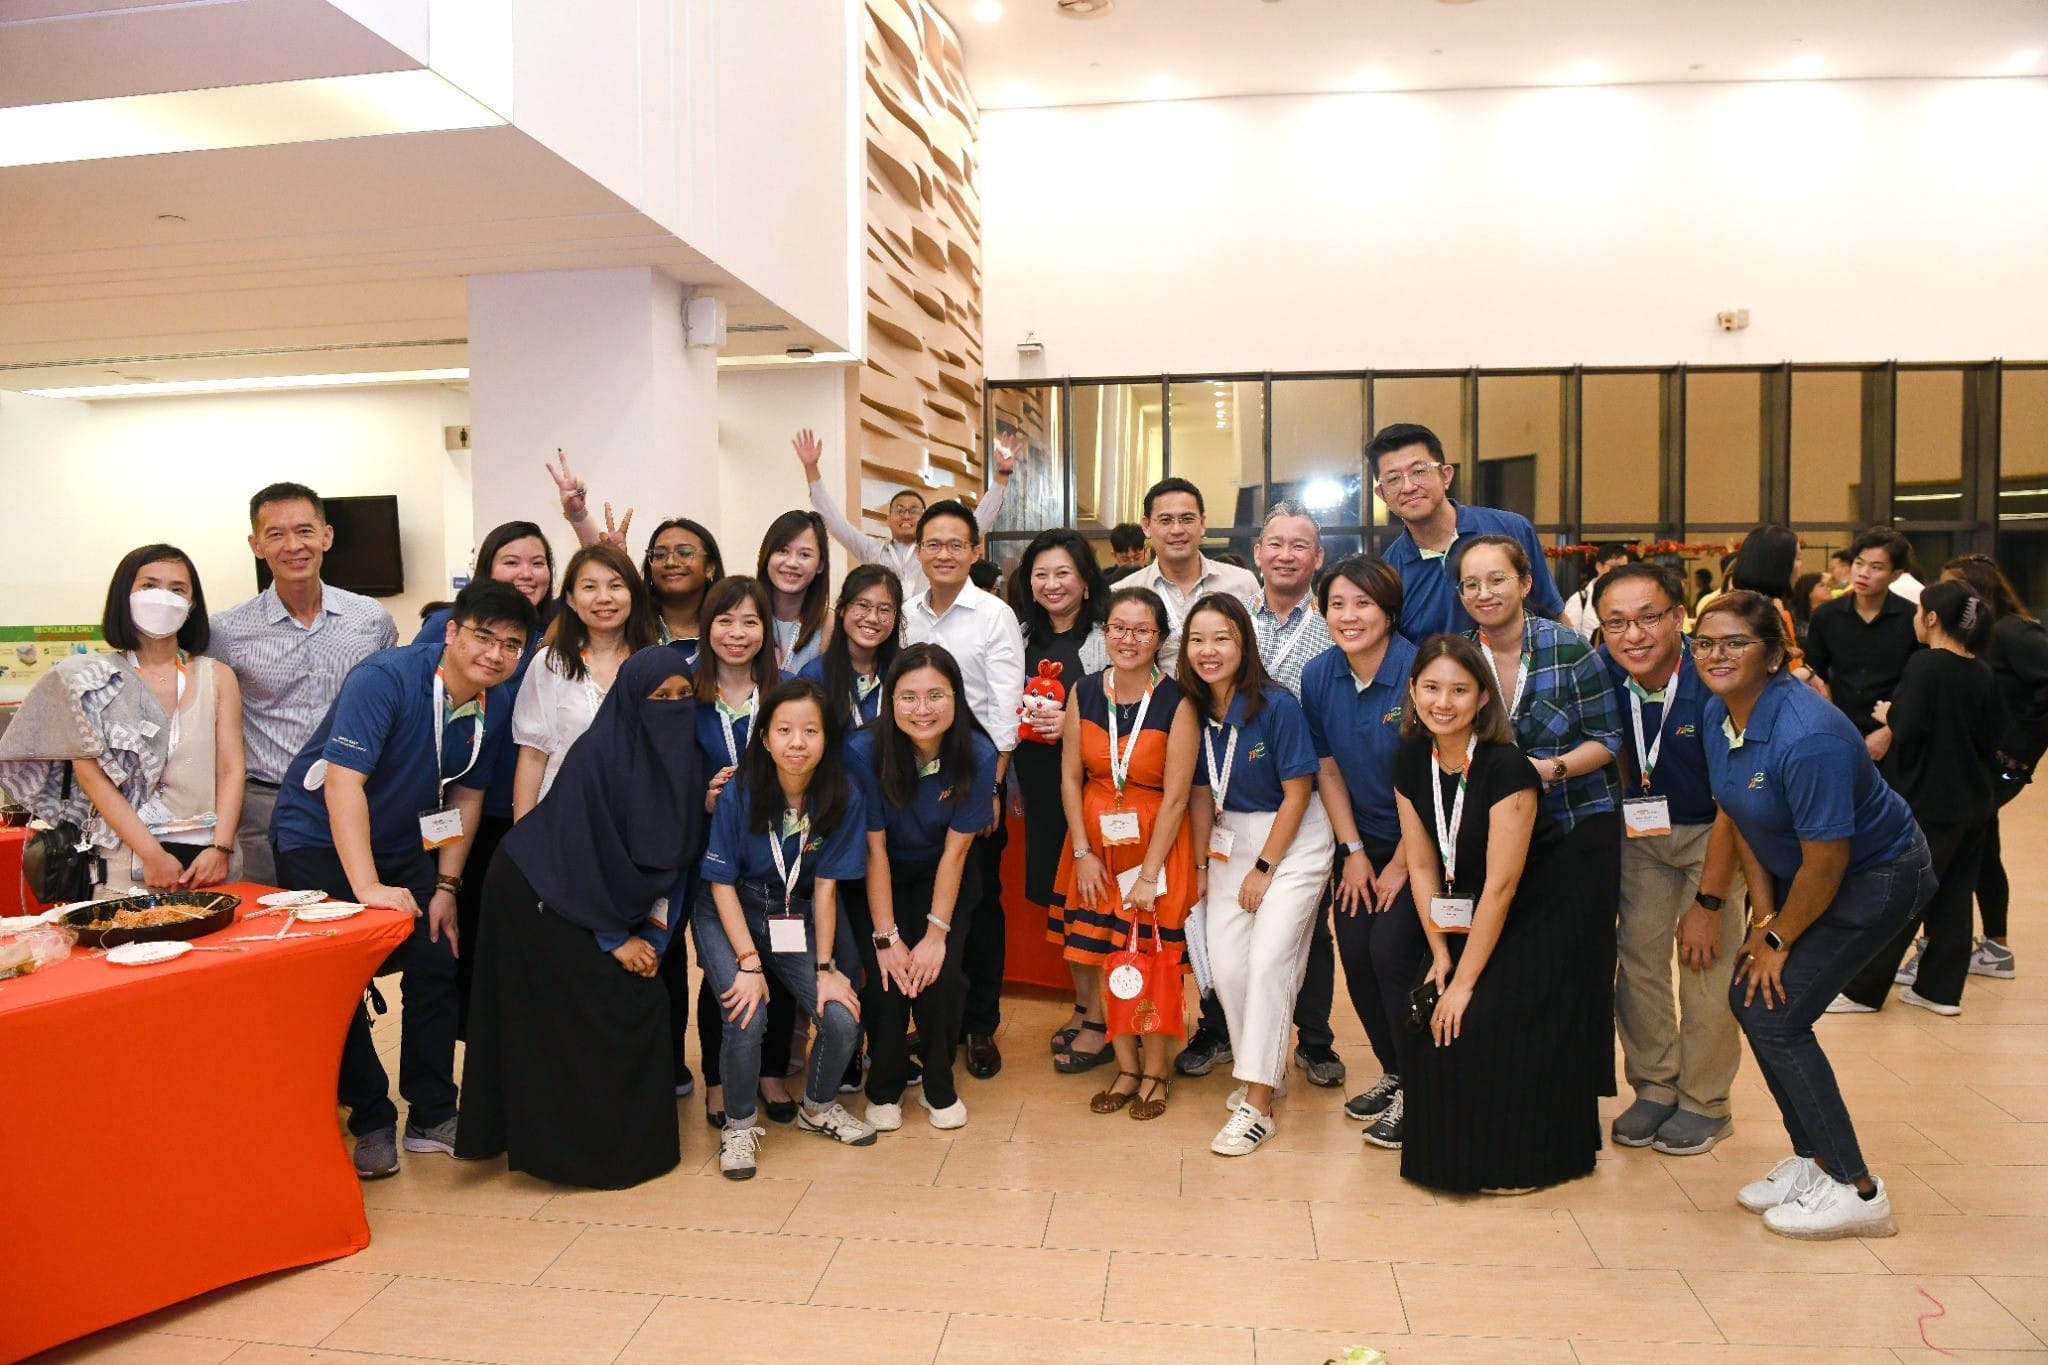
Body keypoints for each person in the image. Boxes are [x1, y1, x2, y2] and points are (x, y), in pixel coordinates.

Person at [269, 579, 536, 1179]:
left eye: (510, 645)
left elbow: (465, 794)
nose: (494, 653)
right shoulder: (385, 678)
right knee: (338, 984)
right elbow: (343, 784)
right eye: (482, 636)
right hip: (318, 841)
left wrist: (445, 887)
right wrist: (365, 890)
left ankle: (433, 1113)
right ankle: (368, 1118)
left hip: (402, 842)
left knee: (437, 959)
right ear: (452, 631)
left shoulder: (496, 701)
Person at [1695, 591, 1932, 1238]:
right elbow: (1741, 812)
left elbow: (1827, 864)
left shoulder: (1809, 736)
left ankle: (1858, 1188)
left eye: (1735, 642)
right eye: (1705, 641)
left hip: (1876, 877)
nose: (1716, 654)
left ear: (1774, 655)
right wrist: (1764, 913)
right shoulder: (1722, 713)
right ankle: (1812, 1161)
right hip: (1807, 882)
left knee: (1774, 1011)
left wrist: (1779, 935)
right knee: (1754, 1000)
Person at [456, 648, 705, 1188]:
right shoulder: (601, 755)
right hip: (536, 894)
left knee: (644, 996)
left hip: (597, 901)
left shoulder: (688, 763)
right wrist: (616, 940)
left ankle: (623, 1144)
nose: (674, 707)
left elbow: (678, 868)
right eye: (659, 698)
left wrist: (655, 945)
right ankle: (571, 1153)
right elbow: (579, 857)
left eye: (684, 696)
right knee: (607, 1005)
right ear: (632, 702)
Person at [1392, 635, 1599, 1194]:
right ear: (1413, 691)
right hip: (1465, 906)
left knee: (1476, 1016)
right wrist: (1439, 953)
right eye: (1431, 688)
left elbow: (1505, 886)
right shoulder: (1411, 757)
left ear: (1483, 697)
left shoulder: (1508, 768)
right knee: (1426, 1012)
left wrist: (1464, 981)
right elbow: (1420, 863)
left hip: (1539, 911)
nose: (1443, 702)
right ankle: (1455, 1155)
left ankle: (1520, 1160)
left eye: (1459, 690)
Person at [1453, 534, 1624, 1098]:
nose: (1485, 592)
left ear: (1526, 583)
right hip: (1496, 838)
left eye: (1497, 579)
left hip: (1574, 825)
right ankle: (1519, 1084)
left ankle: (1574, 1095)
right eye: (1472, 583)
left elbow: (1608, 739)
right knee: (1515, 965)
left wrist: (1545, 771)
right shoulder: (1457, 655)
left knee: (1579, 965)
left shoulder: (1569, 648)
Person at [1593, 562, 1750, 1156]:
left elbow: (1737, 801)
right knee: (1638, 963)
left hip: (1715, 834)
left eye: (1648, 618)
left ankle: (1706, 1102)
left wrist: (1710, 900)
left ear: (1679, 619)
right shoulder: (1602, 673)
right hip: (1638, 837)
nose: (1633, 635)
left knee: (1706, 962)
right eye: (1617, 623)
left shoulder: (1714, 678)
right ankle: (1654, 1087)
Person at [696, 679, 876, 1177]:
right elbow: (720, 885)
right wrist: (749, 964)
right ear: (765, 738)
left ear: (827, 739)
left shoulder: (844, 795)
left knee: (841, 1017)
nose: (797, 743)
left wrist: (825, 968)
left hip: (790, 910)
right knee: (747, 1014)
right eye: (784, 730)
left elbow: (824, 888)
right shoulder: (742, 791)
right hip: (727, 906)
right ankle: (737, 1126)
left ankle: (817, 1109)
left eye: (810, 731)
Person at [0, 545, 245, 897]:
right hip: (125, 865)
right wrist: (152, 854)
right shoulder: (85, 679)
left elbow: (231, 768)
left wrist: (221, 849)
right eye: (149, 586)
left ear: (192, 605)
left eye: (178, 589)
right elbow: (92, 778)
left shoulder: (217, 676)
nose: (164, 597)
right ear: (123, 595)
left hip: (211, 862)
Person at [1180, 594, 1332, 1157]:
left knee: (1270, 960)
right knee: (1225, 966)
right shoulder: (1193, 707)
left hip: (1292, 840)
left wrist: (1265, 868)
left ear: (1244, 642)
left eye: (1222, 638)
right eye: (1198, 639)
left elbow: (1299, 792)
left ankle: (1258, 1105)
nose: (1209, 650)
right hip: (1227, 839)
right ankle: (1265, 1067)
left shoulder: (1276, 705)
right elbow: (1201, 793)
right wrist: (1200, 867)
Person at [1051, 586, 1199, 1117]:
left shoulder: (1177, 700)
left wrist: (1148, 874)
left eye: (1142, 630)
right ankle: (1125, 1065)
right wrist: (1084, 851)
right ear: (1105, 632)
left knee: (1153, 958)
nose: (1128, 639)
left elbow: (1179, 794)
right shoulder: (1086, 690)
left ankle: (1157, 1072)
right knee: (1109, 956)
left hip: (1154, 851)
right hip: (1094, 849)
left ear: (1159, 637)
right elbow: (1070, 778)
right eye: (1118, 628)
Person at [1297, 556, 1425, 1150]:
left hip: (1425, 838)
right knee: (1356, 953)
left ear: (1389, 609)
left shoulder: (1421, 666)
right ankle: (1397, 1072)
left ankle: (1422, 1088)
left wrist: (1400, 860)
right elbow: (1325, 766)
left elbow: (1435, 773)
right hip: (1360, 841)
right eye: (1337, 605)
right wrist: (1353, 851)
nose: (1350, 617)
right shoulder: (1320, 675)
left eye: (1364, 604)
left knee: (1391, 952)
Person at [846, 644, 1001, 1131]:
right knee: (886, 976)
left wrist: (935, 936)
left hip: (944, 873)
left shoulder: (977, 753)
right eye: (908, 697)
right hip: (880, 871)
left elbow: (957, 852)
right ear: (889, 701)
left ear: (956, 698)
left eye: (936, 695)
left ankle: (939, 1085)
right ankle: (886, 1086)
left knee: (941, 974)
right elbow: (874, 851)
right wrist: (888, 937)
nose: (922, 709)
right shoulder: (862, 751)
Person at [210, 482, 397, 885]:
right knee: (268, 921)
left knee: (350, 917)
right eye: (275, 534)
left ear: (326, 536)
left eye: (305, 531)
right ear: (256, 545)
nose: (293, 545)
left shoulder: (371, 619)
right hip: (265, 805)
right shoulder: (225, 631)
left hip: (356, 795)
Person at [415, 521, 561, 1036]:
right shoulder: (446, 627)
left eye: (537, 562)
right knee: (458, 937)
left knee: (517, 945)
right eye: (511, 561)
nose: (526, 573)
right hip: (456, 814)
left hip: (521, 815)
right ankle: (467, 1048)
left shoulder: (553, 635)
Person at [902, 499, 1025, 1079]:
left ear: (976, 551)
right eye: (933, 544)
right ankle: (927, 1021)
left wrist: (994, 785)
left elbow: (1005, 706)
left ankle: (978, 1026)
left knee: (977, 901)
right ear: (918, 551)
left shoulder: (994, 614)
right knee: (920, 895)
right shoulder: (906, 613)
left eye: (957, 543)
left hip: (976, 769)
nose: (944, 553)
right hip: (911, 772)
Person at [1833, 581, 1998, 1016]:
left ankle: (1863, 989)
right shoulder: (1980, 669)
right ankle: (1939, 990)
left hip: (1930, 799)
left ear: (1930, 619)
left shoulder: (1927, 665)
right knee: (1953, 898)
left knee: (1901, 892)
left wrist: (1890, 714)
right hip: (1974, 800)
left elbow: (1910, 726)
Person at [671, 576, 795, 1127]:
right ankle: (720, 1082)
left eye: (750, 622)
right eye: (725, 621)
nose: (737, 633)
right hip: (711, 860)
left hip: (780, 860)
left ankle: (770, 1073)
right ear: (706, 628)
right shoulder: (685, 697)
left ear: (767, 632)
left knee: (781, 965)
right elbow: (665, 779)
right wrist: (703, 798)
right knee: (722, 973)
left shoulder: (787, 692)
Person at [1005, 529, 1112, 1069]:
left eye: (1063, 573)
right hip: (1040, 788)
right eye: (1040, 574)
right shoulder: (1019, 635)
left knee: (1093, 901)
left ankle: (1104, 1018)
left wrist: (1069, 725)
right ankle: (1084, 1004)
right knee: (1062, 903)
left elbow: (1122, 710)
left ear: (1086, 581)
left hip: (1092, 791)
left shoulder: (1104, 636)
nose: (1051, 584)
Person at [1250, 501, 1345, 1090]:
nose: (1286, 554)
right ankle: (1222, 1031)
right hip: (1240, 790)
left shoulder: (1339, 620)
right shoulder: (1231, 616)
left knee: (1313, 922)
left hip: (1315, 795)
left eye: (1299, 545)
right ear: (1258, 552)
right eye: (1275, 543)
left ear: (1318, 557)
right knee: (1230, 917)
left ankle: (1315, 1039)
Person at [1939, 553, 2048, 979]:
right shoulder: (1978, 638)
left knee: (1967, 844)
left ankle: (1962, 944)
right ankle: (1993, 946)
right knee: (1982, 845)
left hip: (2000, 763)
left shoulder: (2013, 633)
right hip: (1981, 757)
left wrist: (2018, 749)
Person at [1369, 423, 1565, 643]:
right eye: (1394, 478)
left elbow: (1554, 616)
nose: (1408, 487)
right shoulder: (1388, 573)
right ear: (1381, 494)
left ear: (1445, 475)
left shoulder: (1511, 529)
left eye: (1419, 471)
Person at [510, 542, 661, 815]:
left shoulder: (655, 666)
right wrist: (523, 840)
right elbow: (532, 757)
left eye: (615, 586)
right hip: (563, 820)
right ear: (570, 598)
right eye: (590, 587)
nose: (604, 598)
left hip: (637, 822)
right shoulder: (550, 664)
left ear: (634, 595)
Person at [792, 427, 1014, 598]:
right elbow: (835, 522)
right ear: (887, 519)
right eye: (899, 510)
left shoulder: (935, 551)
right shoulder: (872, 551)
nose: (906, 515)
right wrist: (811, 469)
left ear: (925, 519)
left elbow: (979, 521)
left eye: (914, 510)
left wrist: (1002, 474)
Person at [1803, 526, 1922, 760]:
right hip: (1838, 731)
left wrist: (1889, 733)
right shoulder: (1826, 616)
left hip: (1894, 737)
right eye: (1859, 563)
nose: (1863, 573)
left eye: (1876, 567)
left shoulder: (1912, 618)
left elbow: (1919, 686)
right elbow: (1814, 671)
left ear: (1896, 574)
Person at [1123, 477, 1260, 663]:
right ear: (1147, 526)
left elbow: (1257, 652)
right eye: (1165, 520)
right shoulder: (1124, 592)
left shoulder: (1242, 583)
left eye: (1187, 519)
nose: (1177, 529)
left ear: (1202, 523)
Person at [798, 564, 903, 732]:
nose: (873, 618)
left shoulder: (905, 671)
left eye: (884, 610)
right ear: (841, 608)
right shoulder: (815, 675)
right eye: (863, 606)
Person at [757, 510, 833, 675]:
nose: (792, 563)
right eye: (783, 551)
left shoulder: (830, 625)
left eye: (804, 554)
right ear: (766, 555)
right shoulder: (746, 615)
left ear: (820, 565)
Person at [1561, 542, 1635, 640]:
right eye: (1614, 568)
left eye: (1624, 568)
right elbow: (1568, 638)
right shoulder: (1580, 600)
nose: (1619, 573)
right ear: (1599, 566)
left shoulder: (1631, 598)